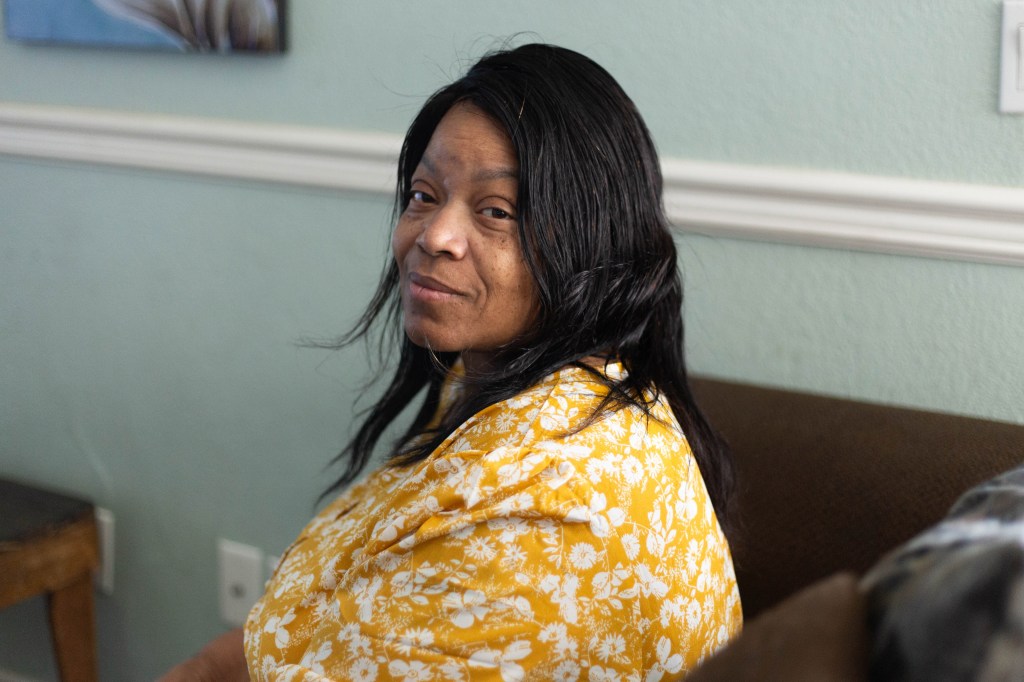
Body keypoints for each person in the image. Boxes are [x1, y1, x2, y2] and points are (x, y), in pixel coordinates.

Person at [162, 42, 742, 681]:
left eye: (496, 211)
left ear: (591, 242)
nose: (433, 235)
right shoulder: (503, 376)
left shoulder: (548, 516)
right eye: (424, 194)